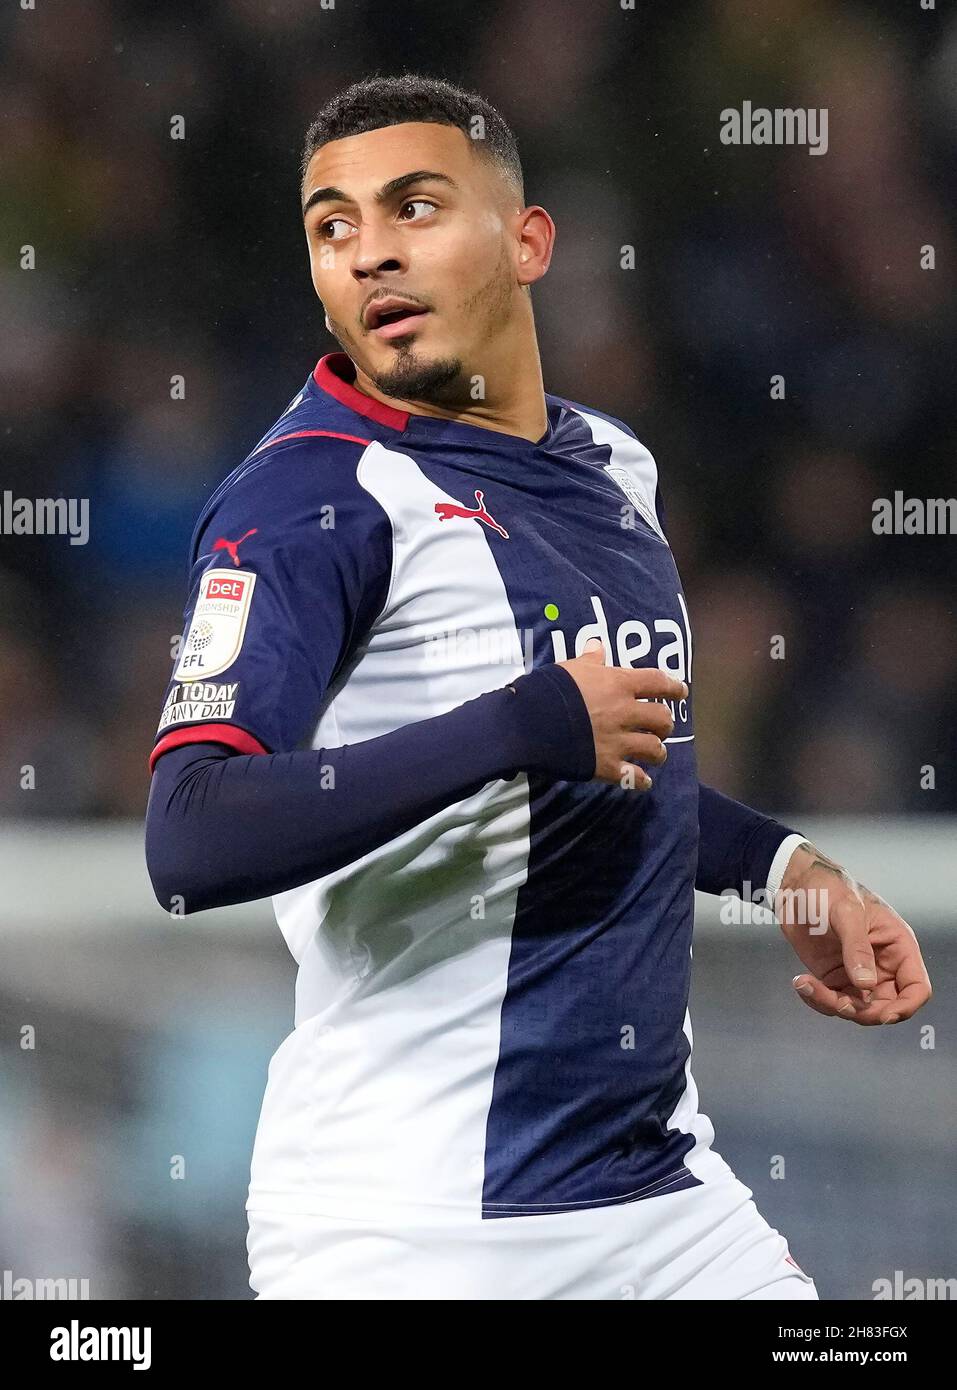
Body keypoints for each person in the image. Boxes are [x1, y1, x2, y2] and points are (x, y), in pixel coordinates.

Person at [144, 73, 931, 1300]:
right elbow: (189, 838)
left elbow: (615, 752)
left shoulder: (612, 463)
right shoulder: (307, 501)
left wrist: (784, 869)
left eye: (413, 207)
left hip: (664, 1204)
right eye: (332, 227)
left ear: (528, 241)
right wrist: (515, 726)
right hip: (411, 1228)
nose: (370, 256)